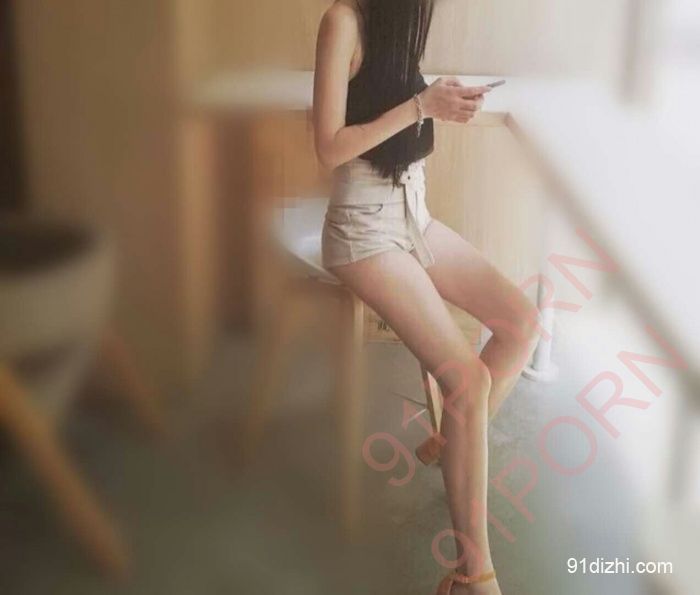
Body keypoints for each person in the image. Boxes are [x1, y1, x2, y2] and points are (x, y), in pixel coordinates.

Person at [313, 1, 540, 593]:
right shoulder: (343, 20)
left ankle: (454, 439)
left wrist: (441, 98)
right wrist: (421, 106)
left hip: (413, 214)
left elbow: (384, 97)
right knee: (467, 381)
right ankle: (474, 576)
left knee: (520, 324)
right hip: (363, 232)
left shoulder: (397, 21)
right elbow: (328, 147)